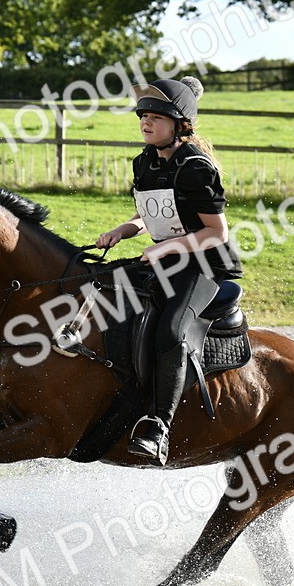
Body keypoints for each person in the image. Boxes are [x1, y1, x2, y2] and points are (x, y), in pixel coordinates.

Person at [96, 76, 243, 466]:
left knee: (171, 330)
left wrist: (167, 248)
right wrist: (126, 229)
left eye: (156, 117)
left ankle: (159, 426)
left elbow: (216, 232)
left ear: (180, 124)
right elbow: (155, 212)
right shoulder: (144, 161)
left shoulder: (196, 167)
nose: (146, 122)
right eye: (143, 115)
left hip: (204, 268)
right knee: (102, 297)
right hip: (162, 260)